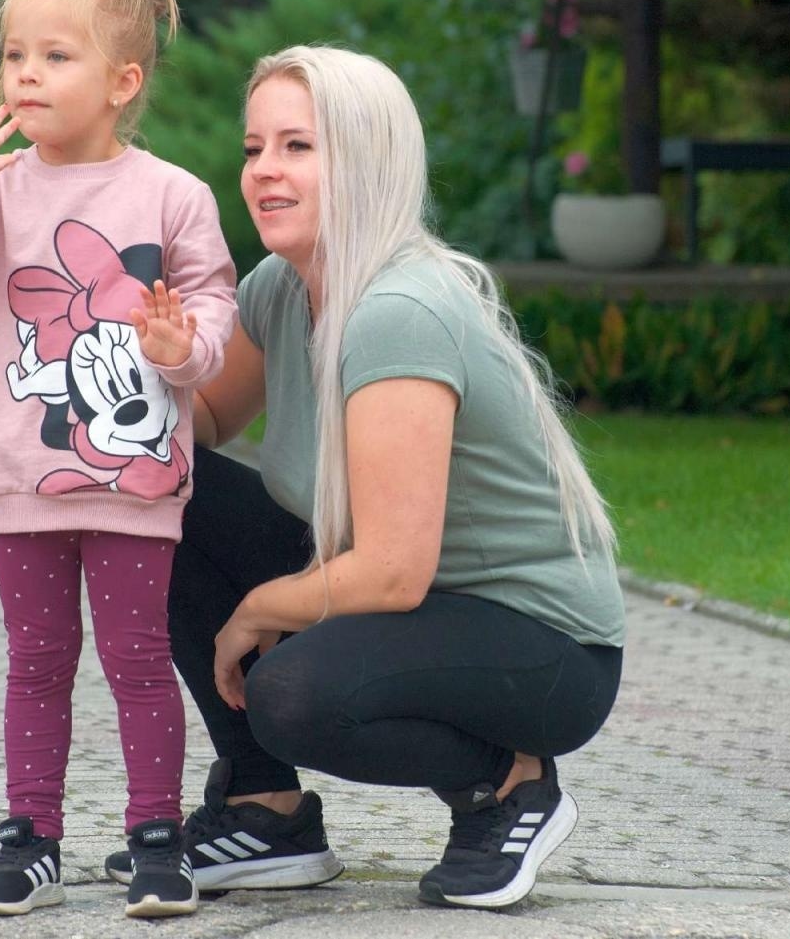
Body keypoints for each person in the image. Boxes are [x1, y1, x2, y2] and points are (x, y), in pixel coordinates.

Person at [104, 45, 627, 910]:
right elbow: (189, 432)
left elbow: (391, 568)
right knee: (163, 485)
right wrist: (143, 371)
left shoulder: (399, 311)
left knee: (295, 691)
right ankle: (264, 807)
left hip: (541, 648)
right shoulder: (282, 285)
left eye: (298, 148)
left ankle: (510, 786)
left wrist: (258, 608)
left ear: (367, 160)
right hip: (413, 608)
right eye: (254, 148)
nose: (265, 171)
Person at [0, 0, 236, 920]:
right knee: (36, 664)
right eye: (13, 55)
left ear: (123, 82)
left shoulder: (170, 194)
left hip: (134, 478)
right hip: (21, 474)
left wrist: (187, 347)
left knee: (137, 663)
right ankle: (30, 837)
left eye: (54, 56)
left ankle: (154, 839)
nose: (24, 74)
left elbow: (210, 297)